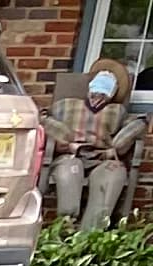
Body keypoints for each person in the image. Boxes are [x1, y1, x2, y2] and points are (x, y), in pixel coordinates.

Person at [49, 62, 147, 229]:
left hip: (101, 158)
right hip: (71, 155)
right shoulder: (66, 106)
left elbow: (138, 123)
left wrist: (114, 148)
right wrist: (66, 141)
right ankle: (65, 228)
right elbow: (44, 120)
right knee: (70, 171)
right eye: (95, 93)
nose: (97, 98)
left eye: (103, 94)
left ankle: (90, 234)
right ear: (89, 89)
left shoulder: (117, 112)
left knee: (112, 175)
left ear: (112, 95)